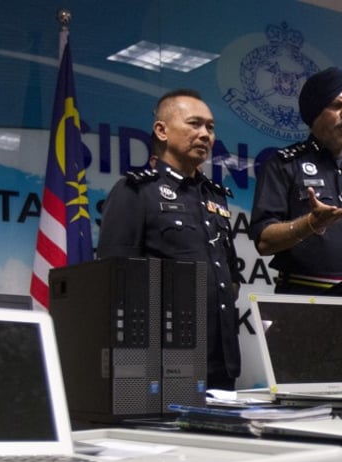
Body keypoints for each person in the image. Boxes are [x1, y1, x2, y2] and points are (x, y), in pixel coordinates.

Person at [97, 89, 240, 389]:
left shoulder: (215, 197)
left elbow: (229, 274)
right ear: (162, 130)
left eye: (211, 128)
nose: (205, 134)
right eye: (195, 124)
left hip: (221, 360)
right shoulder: (136, 190)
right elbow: (115, 282)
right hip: (165, 362)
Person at [250, 67, 342, 294]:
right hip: (304, 298)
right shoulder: (285, 164)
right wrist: (311, 224)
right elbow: (264, 241)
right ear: (316, 112)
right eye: (337, 106)